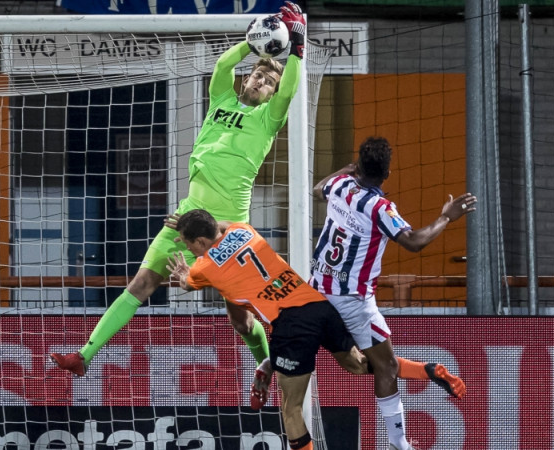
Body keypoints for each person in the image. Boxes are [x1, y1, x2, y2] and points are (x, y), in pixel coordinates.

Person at [50, 1, 308, 377]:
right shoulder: (222, 100)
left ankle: (264, 368)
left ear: (272, 94)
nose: (260, 83)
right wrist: (252, 42)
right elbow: (222, 66)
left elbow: (289, 91)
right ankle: (84, 355)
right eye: (257, 75)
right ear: (247, 78)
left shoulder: (268, 119)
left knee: (241, 320)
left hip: (229, 229)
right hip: (187, 217)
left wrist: (296, 47)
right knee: (141, 283)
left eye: (269, 82)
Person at [310, 136, 474, 450]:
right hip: (353, 301)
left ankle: (424, 372)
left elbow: (318, 189)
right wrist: (446, 217)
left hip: (317, 291)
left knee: (356, 364)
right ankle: (399, 443)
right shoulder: (380, 207)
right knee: (384, 367)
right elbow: (413, 241)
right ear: (387, 174)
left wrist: (347, 170)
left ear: (358, 166)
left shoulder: (340, 185)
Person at [166, 208, 368, 450]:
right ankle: (415, 369)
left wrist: (183, 273)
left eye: (188, 243)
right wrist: (199, 223)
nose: (189, 249)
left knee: (291, 409)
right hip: (317, 305)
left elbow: (186, 283)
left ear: (200, 241)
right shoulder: (242, 229)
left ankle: (269, 362)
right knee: (361, 365)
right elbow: (221, 225)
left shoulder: (203, 267)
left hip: (289, 323)